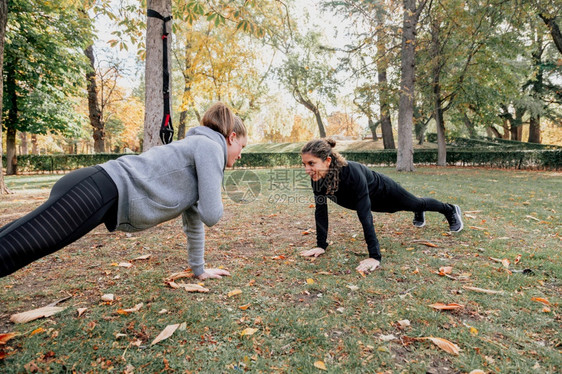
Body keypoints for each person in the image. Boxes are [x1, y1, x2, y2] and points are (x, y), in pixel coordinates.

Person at [0, 102, 247, 280]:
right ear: (231, 137)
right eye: (242, 146)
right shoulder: (210, 147)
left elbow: (195, 222)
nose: (240, 154)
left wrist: (199, 269)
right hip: (96, 190)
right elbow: (212, 215)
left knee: (13, 241)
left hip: (96, 190)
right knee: (16, 248)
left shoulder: (198, 149)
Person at [299, 138, 463, 274]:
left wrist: (374, 256)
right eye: (304, 164)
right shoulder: (317, 180)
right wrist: (321, 245)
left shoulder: (352, 172)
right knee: (399, 208)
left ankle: (449, 209)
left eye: (311, 163)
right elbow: (321, 211)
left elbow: (364, 214)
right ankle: (417, 210)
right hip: (370, 201)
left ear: (327, 161)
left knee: (415, 203)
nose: (307, 169)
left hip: (386, 191)